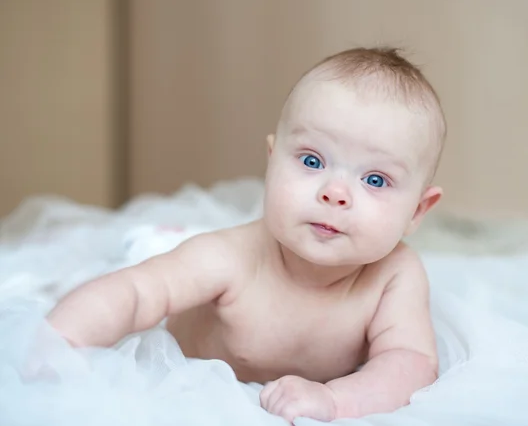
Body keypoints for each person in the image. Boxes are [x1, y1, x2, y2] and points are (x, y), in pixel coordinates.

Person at [46, 46, 447, 423]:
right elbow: (136, 291)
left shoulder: (395, 275)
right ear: (272, 162)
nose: (335, 193)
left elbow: (409, 361)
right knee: (143, 267)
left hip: (304, 392)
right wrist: (58, 343)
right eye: (312, 160)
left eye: (375, 179)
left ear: (416, 212)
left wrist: (336, 400)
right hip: (193, 383)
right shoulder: (230, 257)